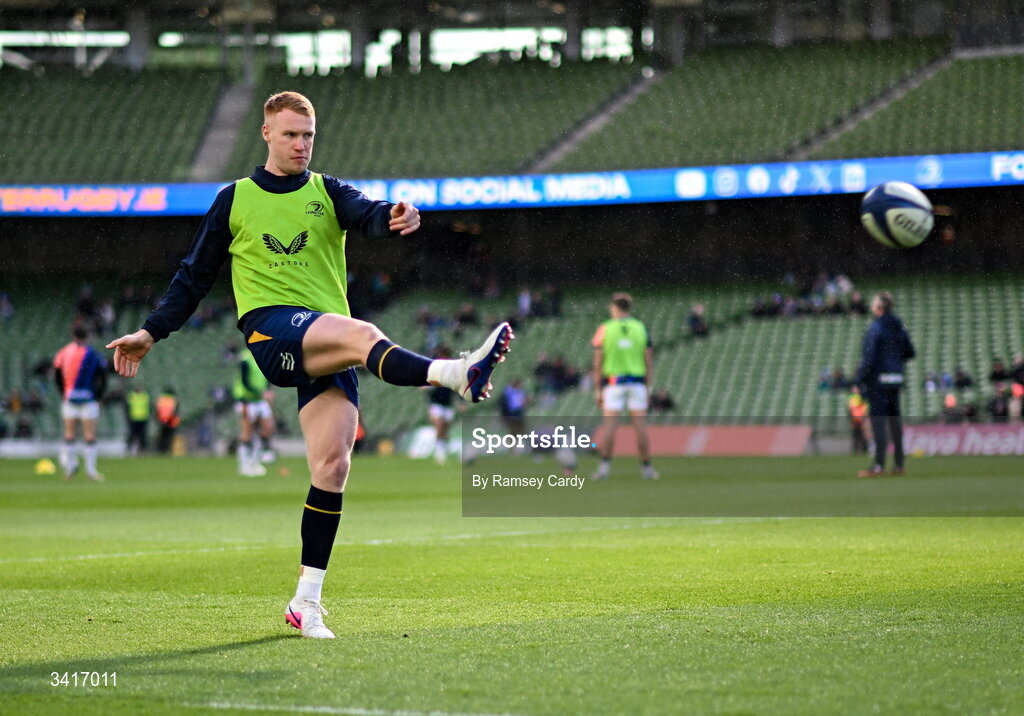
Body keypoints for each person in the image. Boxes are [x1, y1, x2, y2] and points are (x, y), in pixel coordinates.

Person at [105, 91, 514, 639]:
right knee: (366, 334)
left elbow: (368, 214)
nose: (301, 144)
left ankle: (306, 602)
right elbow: (194, 275)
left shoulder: (328, 191)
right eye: (292, 134)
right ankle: (455, 374)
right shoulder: (236, 199)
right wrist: (151, 332)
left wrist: (393, 215)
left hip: (326, 340)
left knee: (332, 469)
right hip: (272, 329)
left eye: (309, 135)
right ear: (267, 134)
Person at [590, 292, 658, 481]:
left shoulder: (605, 328)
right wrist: (648, 386)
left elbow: (598, 361)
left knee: (610, 427)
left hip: (614, 383)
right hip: (637, 383)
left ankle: (604, 468)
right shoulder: (640, 328)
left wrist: (597, 388)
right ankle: (647, 469)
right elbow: (648, 360)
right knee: (641, 428)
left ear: (615, 307)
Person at [853, 292, 915, 478]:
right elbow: (910, 352)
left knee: (879, 422)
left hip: (879, 380)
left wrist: (858, 380)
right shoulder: (899, 327)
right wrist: (895, 361)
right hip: (896, 378)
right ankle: (899, 464)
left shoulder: (876, 328)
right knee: (895, 421)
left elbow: (869, 358)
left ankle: (879, 465)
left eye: (874, 303)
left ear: (879, 307)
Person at [53, 325, 107, 481]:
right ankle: (91, 471)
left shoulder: (64, 352)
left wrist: (62, 393)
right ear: (88, 336)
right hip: (88, 399)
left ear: (72, 335)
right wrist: (98, 395)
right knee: (89, 436)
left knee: (70, 435)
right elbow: (102, 377)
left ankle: (69, 469)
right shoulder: (93, 354)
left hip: (69, 398)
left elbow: (57, 375)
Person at [233, 347, 276, 476]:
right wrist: (261, 393)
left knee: (267, 428)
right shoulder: (245, 360)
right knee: (247, 432)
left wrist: (267, 392)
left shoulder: (264, 357)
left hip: (260, 400)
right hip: (247, 400)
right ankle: (244, 465)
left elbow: (267, 378)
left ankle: (255, 461)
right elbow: (245, 382)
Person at [425, 346, 456, 466]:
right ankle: (439, 452)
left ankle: (443, 448)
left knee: (446, 428)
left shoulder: (453, 368)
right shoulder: (434, 366)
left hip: (448, 403)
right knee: (439, 425)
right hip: (435, 402)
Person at [125, 384, 151, 456]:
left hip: (143, 418)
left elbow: (149, 407)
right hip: (134, 418)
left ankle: (143, 450)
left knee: (142, 435)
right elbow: (127, 407)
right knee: (133, 434)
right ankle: (130, 449)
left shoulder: (145, 396)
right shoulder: (131, 396)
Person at [155, 387, 181, 453]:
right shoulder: (173, 399)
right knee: (169, 436)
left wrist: (158, 419)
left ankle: (161, 450)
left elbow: (157, 410)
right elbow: (176, 411)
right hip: (170, 420)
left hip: (162, 420)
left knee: (162, 436)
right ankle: (168, 449)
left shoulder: (161, 399)